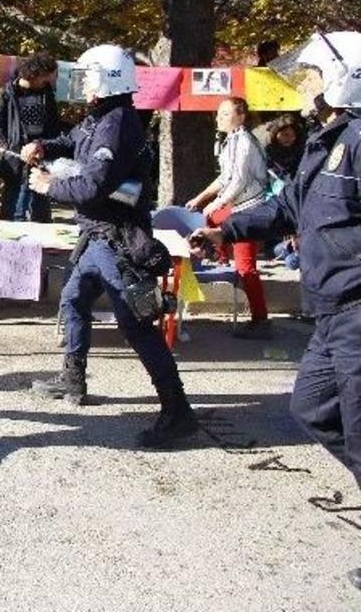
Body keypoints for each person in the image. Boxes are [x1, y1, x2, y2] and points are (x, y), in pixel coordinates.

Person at [188, 30, 361, 591]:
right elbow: (283, 209)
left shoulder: (358, 142)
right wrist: (219, 231)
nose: (305, 87)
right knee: (312, 409)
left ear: (344, 81)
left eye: (313, 76)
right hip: (329, 311)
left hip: (359, 308)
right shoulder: (322, 142)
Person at [22, 43, 198, 448]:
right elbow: (72, 140)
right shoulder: (100, 117)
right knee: (73, 300)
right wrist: (46, 146)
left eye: (87, 78)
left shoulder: (117, 123)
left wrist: (52, 186)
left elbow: (93, 185)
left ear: (106, 79)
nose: (81, 87)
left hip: (115, 239)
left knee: (136, 328)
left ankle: (178, 411)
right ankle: (72, 378)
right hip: (97, 236)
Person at [185, 97, 272, 339]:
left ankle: (261, 319)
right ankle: (218, 257)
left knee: (246, 268)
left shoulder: (243, 141)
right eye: (219, 113)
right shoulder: (231, 140)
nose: (219, 118)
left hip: (250, 209)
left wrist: (216, 203)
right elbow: (224, 178)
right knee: (208, 222)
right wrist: (201, 197)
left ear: (241, 116)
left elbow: (239, 181)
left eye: (226, 113)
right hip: (237, 206)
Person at [0, 53, 62, 222]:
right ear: (34, 74)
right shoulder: (6, 94)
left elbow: (53, 124)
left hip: (41, 156)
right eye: (45, 78)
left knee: (41, 202)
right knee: (15, 201)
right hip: (15, 158)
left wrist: (47, 147)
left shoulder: (47, 94)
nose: (47, 82)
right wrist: (8, 148)